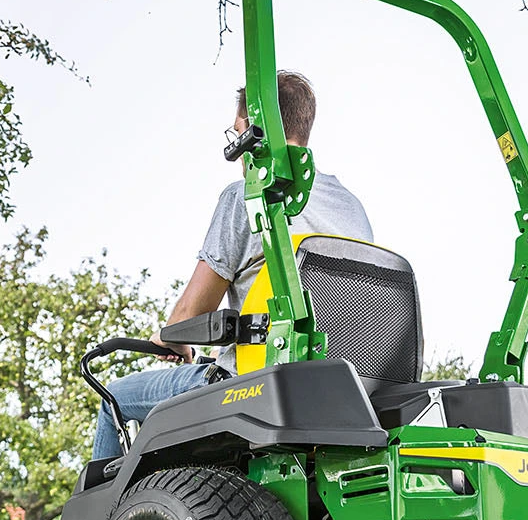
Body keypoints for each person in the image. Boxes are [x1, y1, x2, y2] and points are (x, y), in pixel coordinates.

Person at [90, 71, 374, 461]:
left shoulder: (246, 196)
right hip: (342, 390)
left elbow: (193, 312)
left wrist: (171, 339)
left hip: (253, 386)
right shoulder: (349, 205)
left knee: (113, 401)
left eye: (236, 130)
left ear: (250, 128)